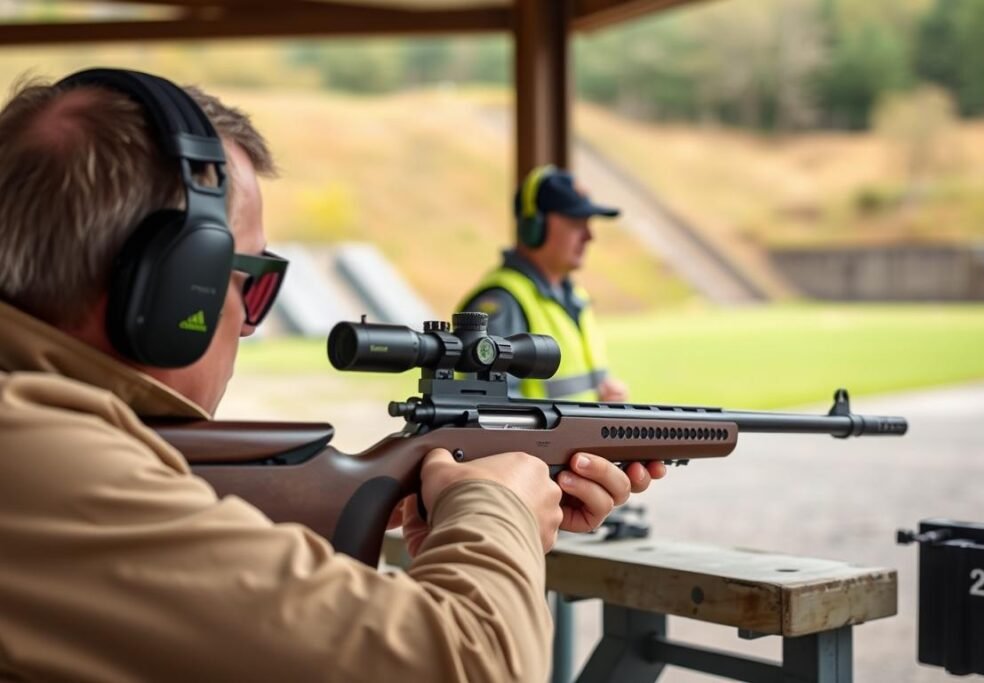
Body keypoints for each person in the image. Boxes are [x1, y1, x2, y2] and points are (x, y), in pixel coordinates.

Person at [0, 70, 665, 682]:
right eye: (252, 285)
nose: (251, 323)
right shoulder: (39, 462)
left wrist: (460, 546)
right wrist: (500, 510)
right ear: (176, 293)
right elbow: (468, 664)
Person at [461, 165, 630, 403]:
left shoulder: (574, 296)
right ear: (534, 226)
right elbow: (488, 413)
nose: (589, 236)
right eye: (575, 222)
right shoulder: (503, 303)